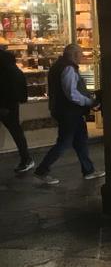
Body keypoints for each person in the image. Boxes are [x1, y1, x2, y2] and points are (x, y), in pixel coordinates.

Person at [34, 43, 102, 185]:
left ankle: (88, 170)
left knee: (80, 140)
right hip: (69, 112)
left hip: (66, 111)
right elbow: (72, 94)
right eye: (81, 54)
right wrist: (89, 102)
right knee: (64, 142)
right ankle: (42, 170)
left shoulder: (58, 66)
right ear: (74, 55)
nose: (82, 56)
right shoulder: (68, 69)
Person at [0, 41, 33, 173]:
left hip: (5, 105)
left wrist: (5, 105)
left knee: (16, 132)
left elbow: (5, 87)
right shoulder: (10, 65)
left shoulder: (5, 68)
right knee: (16, 132)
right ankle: (26, 159)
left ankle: (26, 159)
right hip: (9, 105)